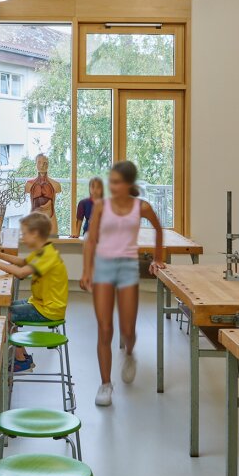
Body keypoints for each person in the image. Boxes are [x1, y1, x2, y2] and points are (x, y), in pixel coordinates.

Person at [79, 159, 165, 407]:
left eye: (117, 182)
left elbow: (159, 229)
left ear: (128, 184)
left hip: (128, 268)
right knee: (104, 328)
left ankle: (129, 354)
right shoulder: (102, 207)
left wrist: (158, 258)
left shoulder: (142, 206)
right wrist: (87, 271)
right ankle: (105, 384)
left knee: (128, 329)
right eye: (111, 181)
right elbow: (91, 240)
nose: (112, 186)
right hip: (104, 268)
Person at [0, 211, 68, 373]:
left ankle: (20, 360)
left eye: (24, 234)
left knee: (1, 313)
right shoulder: (43, 251)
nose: (23, 237)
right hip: (39, 303)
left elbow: (21, 272)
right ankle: (22, 356)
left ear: (35, 234)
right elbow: (22, 262)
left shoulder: (47, 256)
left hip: (48, 310)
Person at [24, 153, 61, 220]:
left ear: (48, 165)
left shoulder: (56, 184)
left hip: (51, 220)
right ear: (35, 164)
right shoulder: (29, 184)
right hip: (34, 220)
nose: (42, 165)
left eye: (45, 163)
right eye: (39, 162)